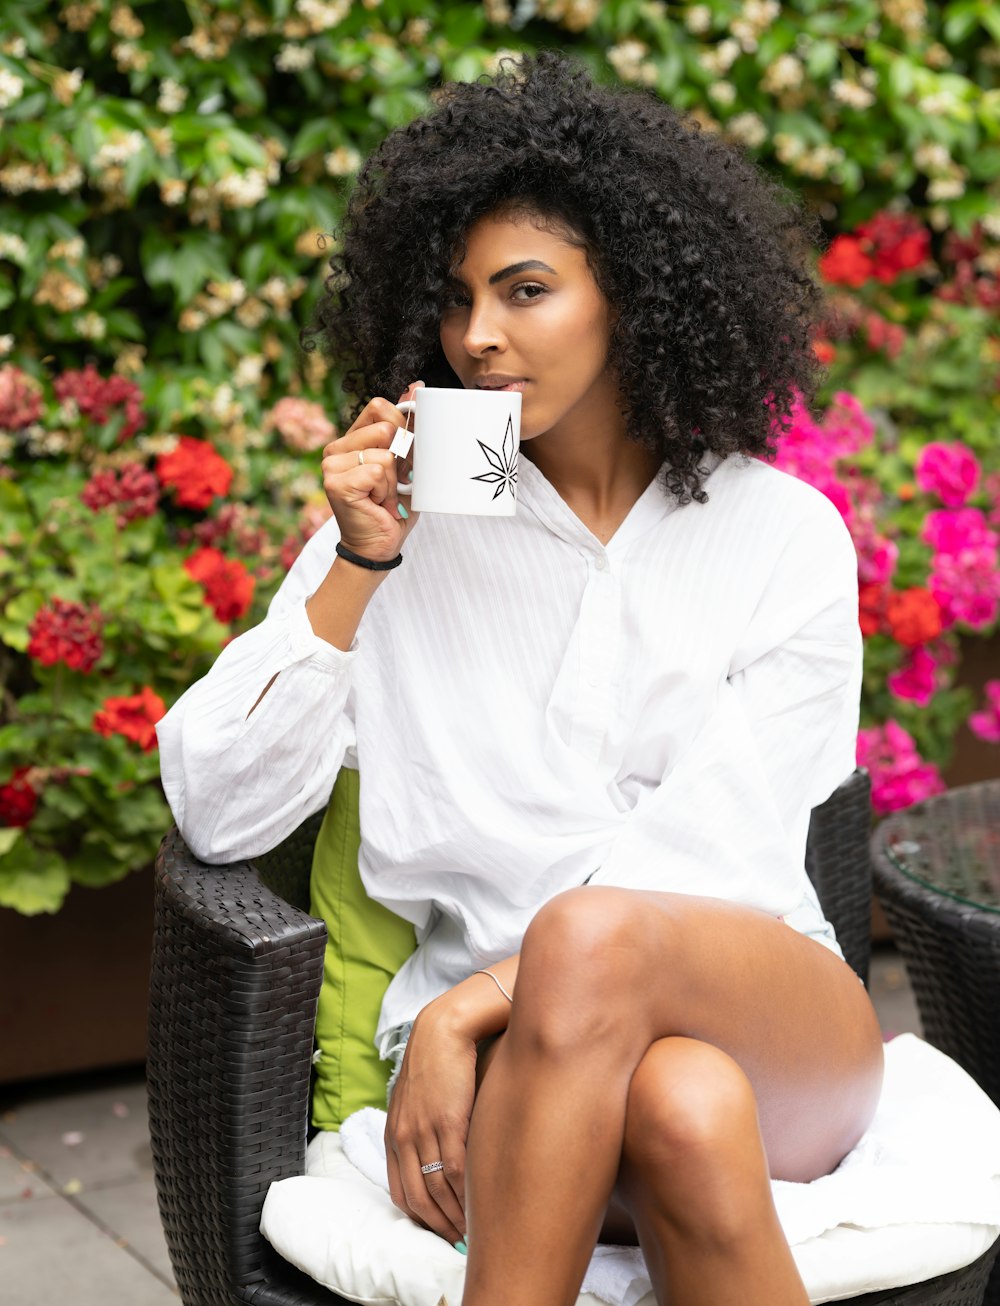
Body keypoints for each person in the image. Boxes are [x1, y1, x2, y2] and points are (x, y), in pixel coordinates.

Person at [157, 51, 884, 1306]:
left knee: (602, 946)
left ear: (635, 295)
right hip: (532, 1087)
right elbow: (217, 811)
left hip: (777, 1014)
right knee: (682, 1106)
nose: (476, 335)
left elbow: (725, 850)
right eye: (454, 298)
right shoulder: (418, 526)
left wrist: (464, 1010)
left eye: (526, 289)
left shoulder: (780, 534)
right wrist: (355, 567)